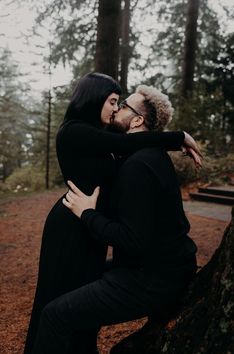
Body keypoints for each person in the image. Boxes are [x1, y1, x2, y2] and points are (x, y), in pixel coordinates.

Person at [31, 85, 198, 354]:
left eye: (122, 106)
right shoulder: (147, 156)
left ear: (137, 120)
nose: (115, 109)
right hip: (158, 267)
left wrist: (87, 214)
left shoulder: (138, 166)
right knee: (79, 282)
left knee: (54, 315)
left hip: (152, 278)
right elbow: (113, 143)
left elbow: (133, 240)